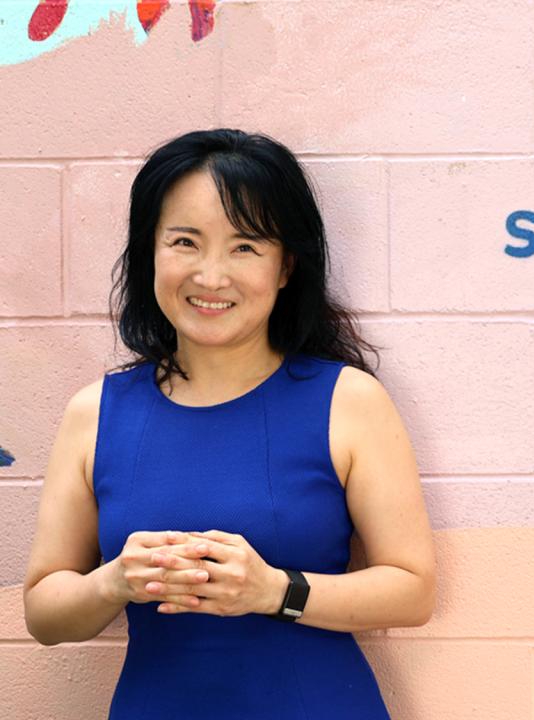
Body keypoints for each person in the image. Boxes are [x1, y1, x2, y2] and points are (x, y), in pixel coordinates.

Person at [22, 128, 435, 719]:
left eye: (245, 247)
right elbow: (43, 612)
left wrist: (274, 591)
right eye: (185, 242)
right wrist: (113, 582)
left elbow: (412, 589)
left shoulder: (348, 400)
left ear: (286, 265)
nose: (211, 276)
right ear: (151, 252)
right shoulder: (95, 412)